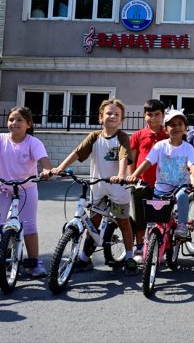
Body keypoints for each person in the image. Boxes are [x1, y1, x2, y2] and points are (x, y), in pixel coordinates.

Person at [52, 99, 137, 275]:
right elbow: (77, 152)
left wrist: (121, 175)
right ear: (100, 117)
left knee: (123, 222)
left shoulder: (121, 137)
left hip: (118, 187)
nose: (112, 116)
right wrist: (60, 168)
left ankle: (129, 256)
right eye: (108, 113)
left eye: (116, 114)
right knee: (92, 223)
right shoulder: (95, 137)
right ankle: (85, 258)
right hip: (97, 186)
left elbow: (124, 156)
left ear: (121, 119)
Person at [0, 106, 53, 282]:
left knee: (29, 226)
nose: (14, 123)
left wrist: (46, 171)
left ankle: (34, 263)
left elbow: (44, 162)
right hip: (1, 187)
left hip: (26, 188)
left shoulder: (33, 143)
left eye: (20, 120)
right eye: (11, 119)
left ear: (28, 124)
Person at [127, 109, 194, 239]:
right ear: (166, 129)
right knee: (156, 218)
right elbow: (147, 162)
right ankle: (154, 244)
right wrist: (135, 175)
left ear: (185, 128)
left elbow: (193, 165)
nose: (176, 127)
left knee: (182, 196)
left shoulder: (188, 148)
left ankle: (182, 225)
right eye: (172, 125)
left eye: (180, 124)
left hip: (181, 185)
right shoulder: (160, 146)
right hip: (162, 187)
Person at [129, 99, 168, 262]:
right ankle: (139, 247)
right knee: (140, 216)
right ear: (144, 116)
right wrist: (132, 178)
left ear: (163, 115)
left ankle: (160, 246)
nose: (153, 118)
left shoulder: (168, 134)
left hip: (163, 183)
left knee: (161, 217)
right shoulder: (138, 135)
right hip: (142, 182)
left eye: (157, 114)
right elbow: (132, 159)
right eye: (149, 115)